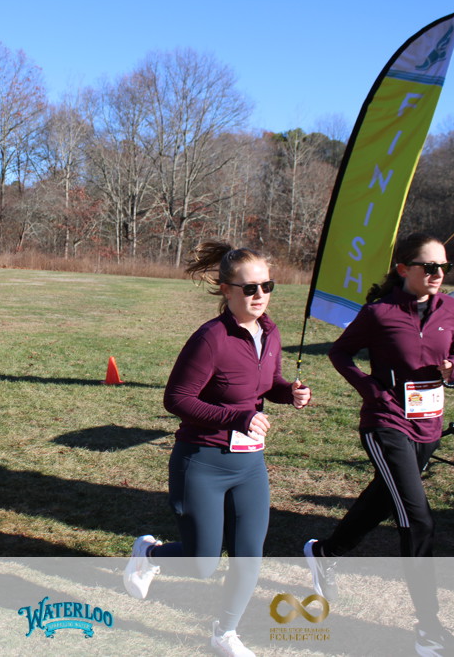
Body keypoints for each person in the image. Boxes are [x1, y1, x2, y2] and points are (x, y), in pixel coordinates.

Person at [123, 241, 311, 657]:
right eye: (249, 288)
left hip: (249, 465)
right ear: (226, 290)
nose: (260, 295)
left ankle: (224, 632)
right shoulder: (210, 338)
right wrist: (235, 418)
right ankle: (149, 553)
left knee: (249, 555)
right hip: (202, 462)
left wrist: (290, 393)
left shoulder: (270, 332)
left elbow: (267, 384)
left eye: (267, 286)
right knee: (201, 564)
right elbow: (176, 399)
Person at [302, 232, 454, 656]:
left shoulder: (452, 309)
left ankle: (324, 552)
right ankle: (428, 629)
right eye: (428, 266)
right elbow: (340, 353)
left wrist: (453, 369)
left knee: (383, 498)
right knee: (418, 519)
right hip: (387, 423)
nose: (437, 274)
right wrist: (371, 390)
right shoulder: (380, 313)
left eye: (444, 267)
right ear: (403, 269)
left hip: (428, 425)